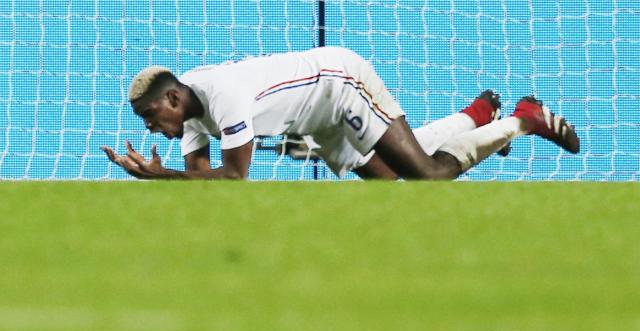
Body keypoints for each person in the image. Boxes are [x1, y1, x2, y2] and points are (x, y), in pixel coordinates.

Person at [101, 47, 579, 180]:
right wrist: (165, 174)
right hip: (315, 120)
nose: (148, 126)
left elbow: (231, 178)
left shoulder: (222, 93)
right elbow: (201, 180)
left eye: (148, 115)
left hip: (339, 84)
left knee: (427, 178)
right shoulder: (190, 114)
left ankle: (522, 118)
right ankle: (475, 116)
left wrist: (160, 179)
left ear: (170, 100)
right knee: (392, 183)